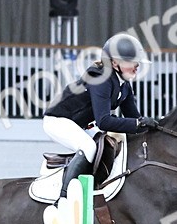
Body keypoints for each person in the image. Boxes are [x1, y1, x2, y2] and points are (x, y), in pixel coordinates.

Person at [44, 32, 160, 197]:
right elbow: (104, 121)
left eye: (137, 62)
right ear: (114, 63)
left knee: (112, 145)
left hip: (80, 125)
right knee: (89, 148)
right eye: (131, 62)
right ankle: (63, 197)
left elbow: (134, 119)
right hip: (58, 121)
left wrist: (155, 127)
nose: (137, 66)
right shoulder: (100, 79)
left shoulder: (124, 85)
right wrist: (137, 124)